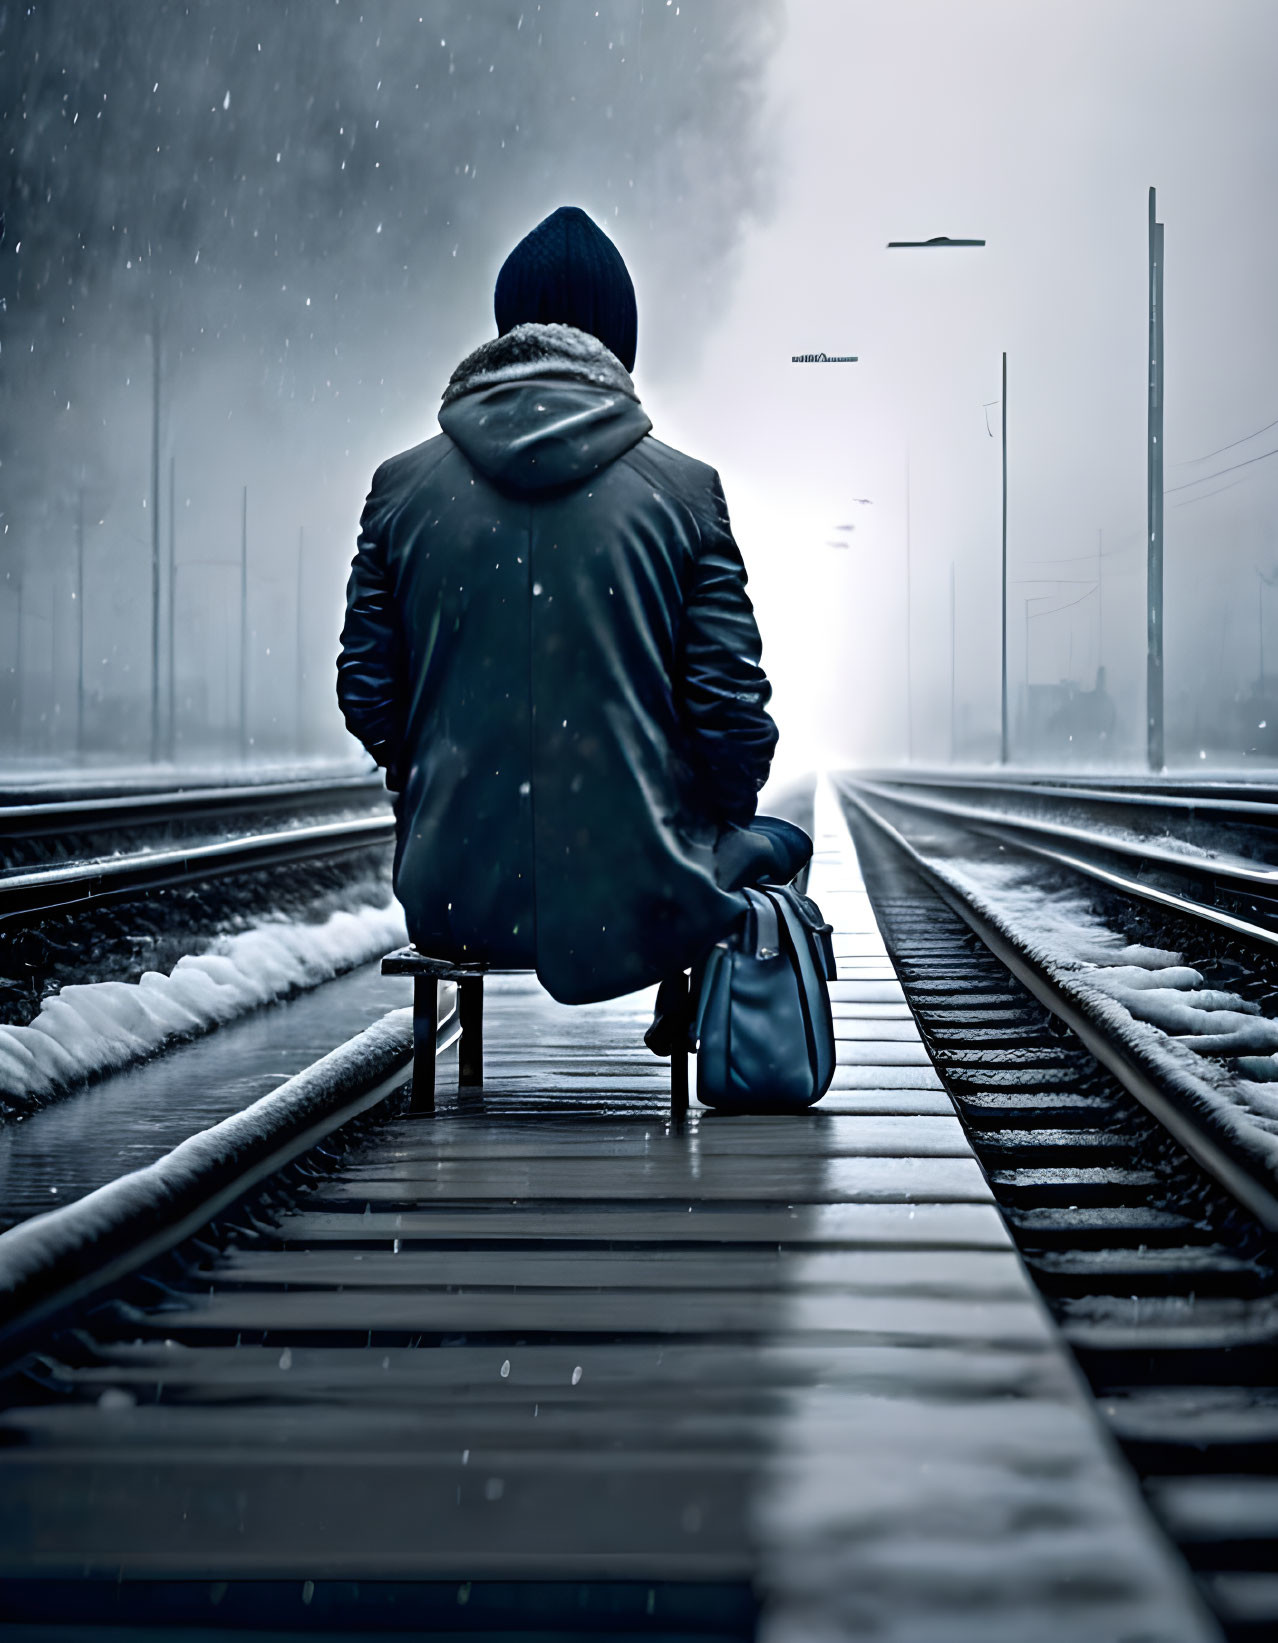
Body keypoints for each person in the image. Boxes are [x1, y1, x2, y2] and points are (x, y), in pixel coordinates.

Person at [336, 205, 810, 1054]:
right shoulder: (685, 491)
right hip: (647, 893)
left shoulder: (400, 489)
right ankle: (704, 1016)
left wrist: (437, 780)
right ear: (619, 344)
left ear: (506, 329)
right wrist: (707, 818)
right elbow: (733, 717)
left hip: (451, 892)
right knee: (781, 845)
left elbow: (367, 693)